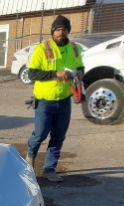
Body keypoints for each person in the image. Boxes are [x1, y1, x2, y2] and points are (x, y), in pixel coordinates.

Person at [26, 15, 84, 183]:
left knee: (58, 135)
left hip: (65, 100)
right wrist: (54, 74)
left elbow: (80, 66)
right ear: (52, 31)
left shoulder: (75, 48)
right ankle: (30, 156)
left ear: (68, 31)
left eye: (64, 29)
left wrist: (80, 73)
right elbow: (32, 74)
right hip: (45, 100)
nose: (61, 32)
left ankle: (49, 169)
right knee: (41, 133)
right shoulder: (42, 49)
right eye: (58, 29)